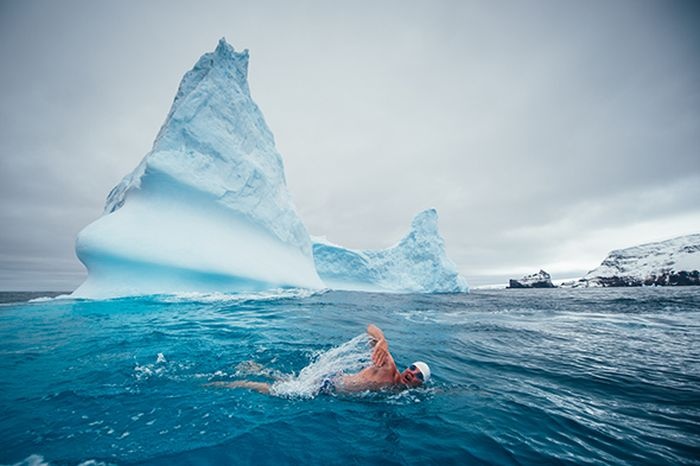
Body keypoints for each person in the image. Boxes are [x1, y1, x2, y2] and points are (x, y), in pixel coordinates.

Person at [208, 324, 430, 395]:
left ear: (419, 384)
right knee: (278, 392)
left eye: (418, 376)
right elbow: (370, 327)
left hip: (331, 383)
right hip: (327, 385)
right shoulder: (388, 367)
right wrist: (382, 341)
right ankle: (231, 384)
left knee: (288, 382)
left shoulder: (399, 391)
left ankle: (255, 368)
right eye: (412, 368)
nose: (412, 373)